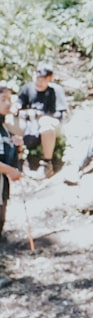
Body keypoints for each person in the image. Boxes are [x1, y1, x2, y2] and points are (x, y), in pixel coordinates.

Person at [15, 62, 69, 176]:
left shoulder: (55, 91)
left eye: (43, 80)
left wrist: (40, 115)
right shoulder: (28, 88)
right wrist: (17, 108)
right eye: (37, 79)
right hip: (30, 124)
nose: (39, 82)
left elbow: (60, 114)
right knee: (8, 120)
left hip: (50, 125)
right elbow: (19, 103)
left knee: (46, 124)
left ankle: (47, 163)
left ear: (49, 79)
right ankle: (16, 157)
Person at [0, 83, 24, 241]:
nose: (8, 103)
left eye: (9, 99)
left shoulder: (5, 127)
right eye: (3, 99)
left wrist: (19, 148)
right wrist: (10, 171)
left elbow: (13, 160)